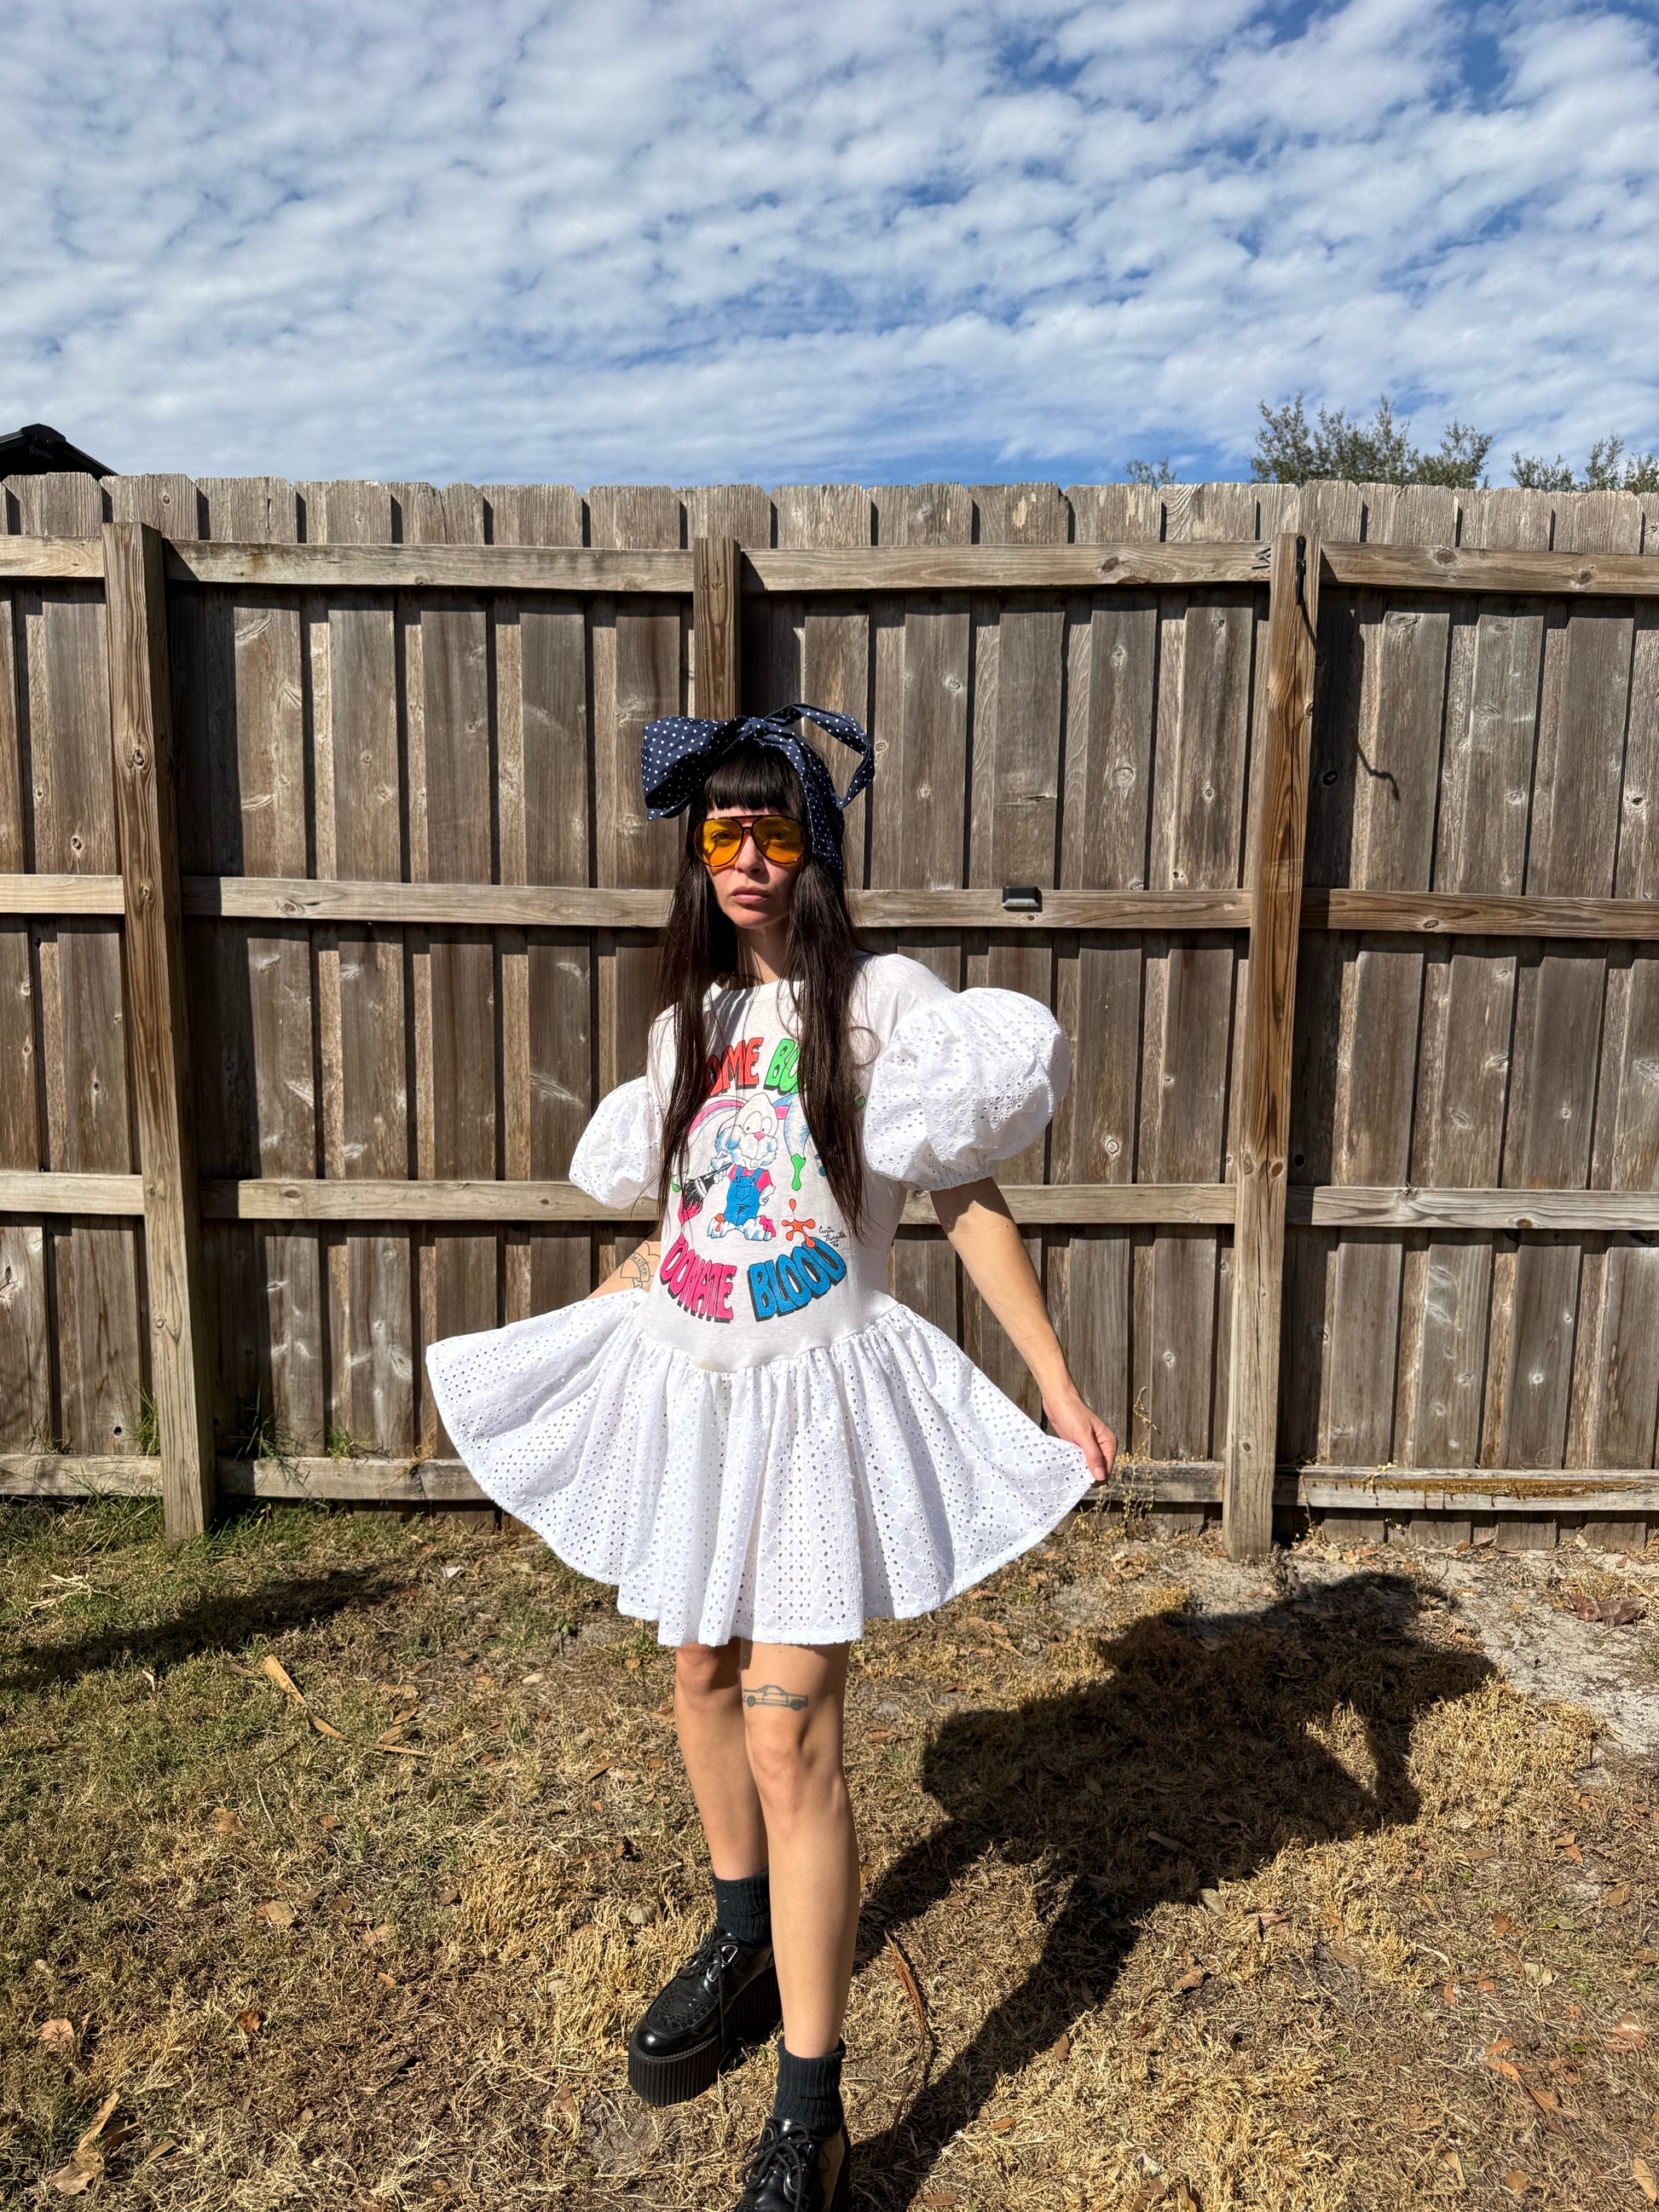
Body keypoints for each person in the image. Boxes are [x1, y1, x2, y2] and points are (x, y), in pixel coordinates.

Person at [426, 704, 1118, 2212]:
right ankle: (740, 1936)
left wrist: (1055, 1384)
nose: (745, 859)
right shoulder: (685, 1028)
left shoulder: (880, 1002)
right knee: (697, 1675)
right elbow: (682, 1225)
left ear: (819, 846)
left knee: (788, 1728)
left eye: (774, 830)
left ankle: (812, 2111)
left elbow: (964, 1200)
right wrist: (578, 1328)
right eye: (720, 833)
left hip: (813, 1410)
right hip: (694, 1399)